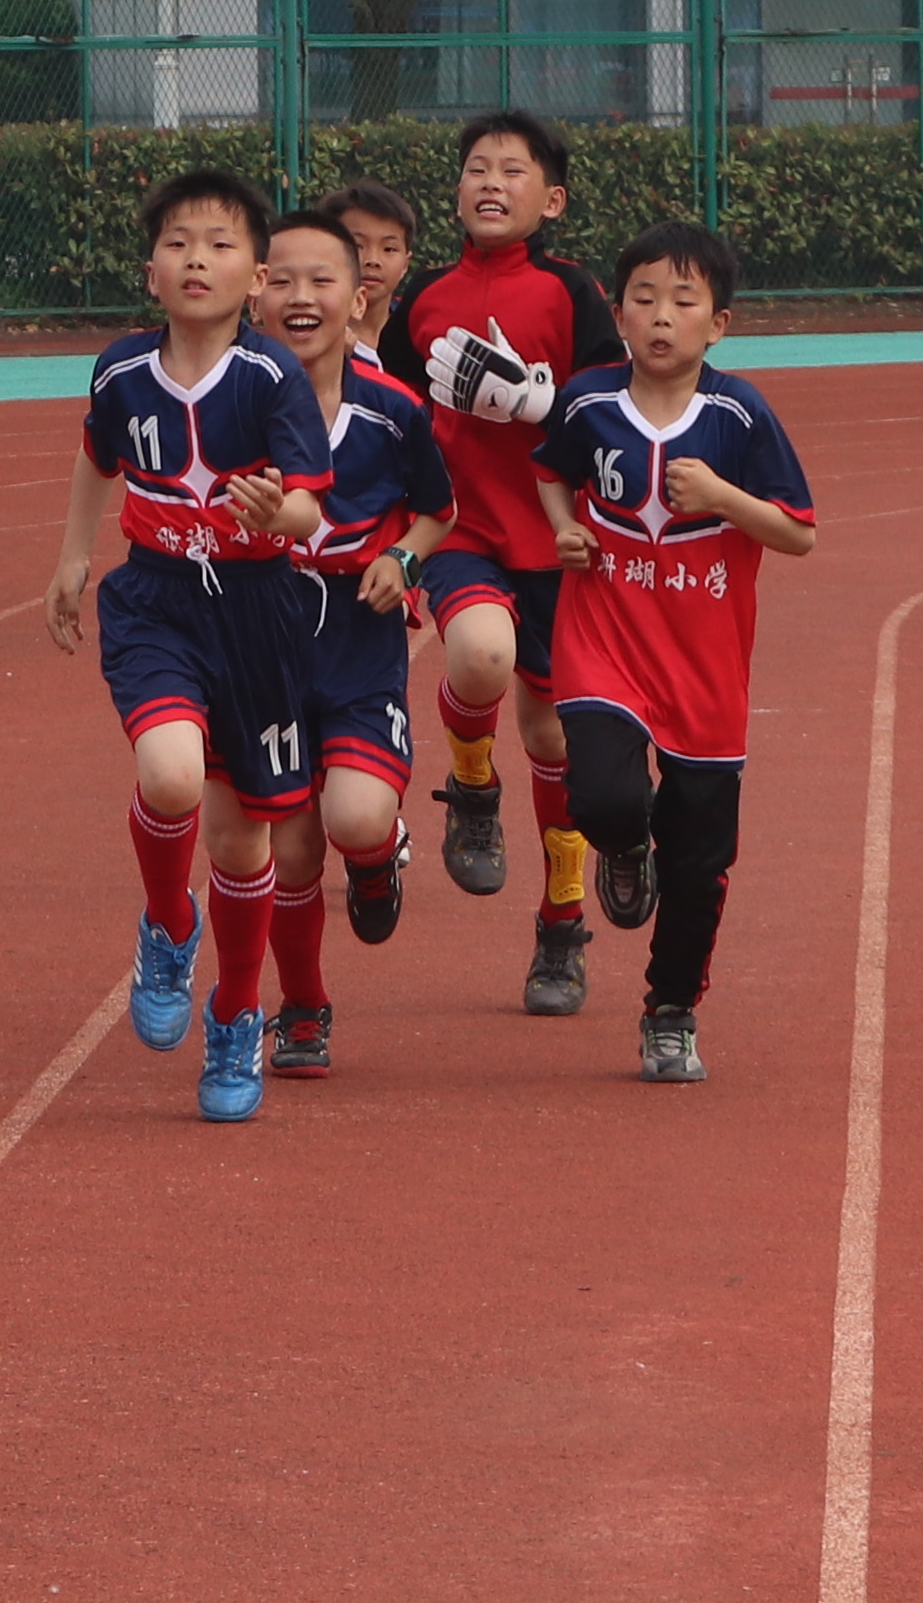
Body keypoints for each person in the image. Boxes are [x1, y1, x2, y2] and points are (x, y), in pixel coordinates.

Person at [48, 164, 336, 1124]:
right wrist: (73, 561)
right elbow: (98, 456)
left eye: (220, 245)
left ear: (256, 276)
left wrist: (279, 510)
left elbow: (306, 498)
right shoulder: (121, 370)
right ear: (151, 271)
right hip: (159, 601)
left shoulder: (272, 377)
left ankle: (235, 1013)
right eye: (178, 243)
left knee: (242, 833)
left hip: (258, 610)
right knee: (169, 775)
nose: (197, 259)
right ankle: (169, 925)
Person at [531, 218, 817, 1085]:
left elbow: (798, 533)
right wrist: (566, 529)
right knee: (606, 798)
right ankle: (623, 850)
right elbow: (551, 469)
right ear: (617, 312)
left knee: (699, 862)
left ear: (717, 323)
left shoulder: (738, 413)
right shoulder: (587, 401)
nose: (661, 316)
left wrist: (725, 496)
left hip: (705, 666)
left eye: (683, 301)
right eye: (644, 298)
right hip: (604, 641)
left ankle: (670, 1011)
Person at [402, 109, 622, 1016]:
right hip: (461, 531)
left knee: (555, 741)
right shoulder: (423, 297)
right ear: (456, 191)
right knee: (478, 656)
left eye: (514, 170)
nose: (492, 182)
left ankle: (562, 924)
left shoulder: (573, 295)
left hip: (558, 545)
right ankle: (471, 784)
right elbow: (387, 408)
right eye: (477, 168)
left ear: (552, 198)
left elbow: (616, 401)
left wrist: (543, 401)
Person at [246, 202, 453, 1075]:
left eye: (321, 279)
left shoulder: (393, 410)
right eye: (282, 279)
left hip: (358, 635)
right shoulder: (229, 407)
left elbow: (440, 511)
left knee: (357, 816)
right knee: (290, 845)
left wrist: (403, 559)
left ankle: (374, 864)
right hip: (261, 633)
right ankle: (301, 1006)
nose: (301, 296)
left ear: (357, 293)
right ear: (254, 293)